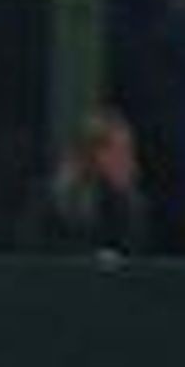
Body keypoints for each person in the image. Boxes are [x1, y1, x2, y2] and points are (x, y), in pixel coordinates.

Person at [41, 106, 149, 257]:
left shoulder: (130, 206)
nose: (130, 164)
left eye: (129, 152)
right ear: (95, 155)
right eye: (120, 153)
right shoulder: (50, 202)